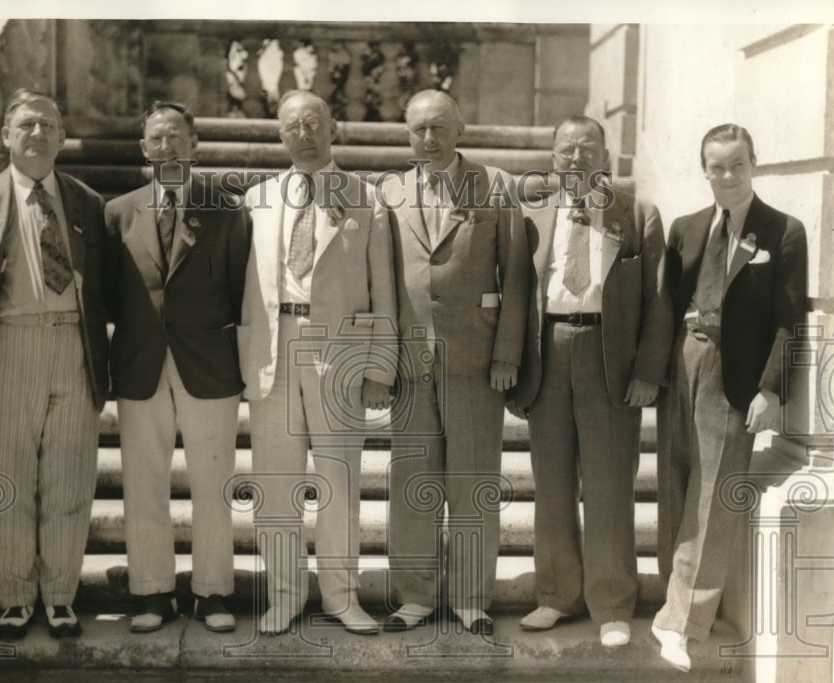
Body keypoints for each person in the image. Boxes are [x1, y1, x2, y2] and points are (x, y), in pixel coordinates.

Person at [0, 88, 109, 639]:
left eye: (48, 126)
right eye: (27, 125)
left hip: (73, 346)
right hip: (10, 343)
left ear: (61, 137)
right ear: (6, 136)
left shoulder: (86, 203)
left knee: (69, 478)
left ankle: (60, 596)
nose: (38, 134)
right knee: (12, 476)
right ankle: (15, 597)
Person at [506, 116, 672, 648]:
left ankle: (613, 603)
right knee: (551, 483)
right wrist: (511, 361)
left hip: (610, 357)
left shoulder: (637, 214)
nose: (576, 158)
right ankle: (557, 595)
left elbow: (659, 300)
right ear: (552, 157)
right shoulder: (532, 213)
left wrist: (648, 371)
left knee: (607, 484)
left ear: (605, 157)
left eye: (587, 149)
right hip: (549, 352)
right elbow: (514, 291)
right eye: (566, 149)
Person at [238, 90, 397, 635]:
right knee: (276, 482)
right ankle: (283, 595)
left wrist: (380, 366)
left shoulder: (367, 198)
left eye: (313, 123)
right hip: (273, 346)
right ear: (279, 135)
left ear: (335, 128)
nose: (304, 134)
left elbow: (384, 290)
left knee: (339, 480)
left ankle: (341, 596)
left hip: (340, 353)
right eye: (292, 126)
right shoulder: (255, 199)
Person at [652, 124, 807, 671]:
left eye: (737, 164)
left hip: (735, 374)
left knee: (715, 495)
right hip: (682, 360)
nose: (727, 176)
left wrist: (770, 389)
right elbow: (664, 307)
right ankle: (673, 600)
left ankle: (681, 624)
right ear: (705, 170)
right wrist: (656, 371)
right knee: (674, 485)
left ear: (754, 164)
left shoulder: (783, 231)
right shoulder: (686, 228)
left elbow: (791, 323)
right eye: (716, 166)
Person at [379, 89, 531, 636]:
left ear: (460, 128)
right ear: (406, 134)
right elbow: (381, 280)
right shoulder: (389, 191)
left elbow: (517, 279)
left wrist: (507, 354)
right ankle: (416, 596)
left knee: (472, 481)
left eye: (439, 127)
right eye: (418, 129)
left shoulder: (496, 187)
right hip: (409, 362)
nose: (429, 138)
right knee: (412, 482)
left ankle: (470, 598)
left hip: (475, 358)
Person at [103, 101, 250, 633]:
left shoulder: (227, 210)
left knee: (214, 483)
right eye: (156, 140)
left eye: (175, 138)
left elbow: (240, 292)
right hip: (142, 364)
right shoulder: (117, 212)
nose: (167, 148)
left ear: (195, 144)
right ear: (144, 149)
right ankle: (152, 593)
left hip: (209, 365)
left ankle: (212, 593)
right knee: (143, 481)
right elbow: (110, 296)